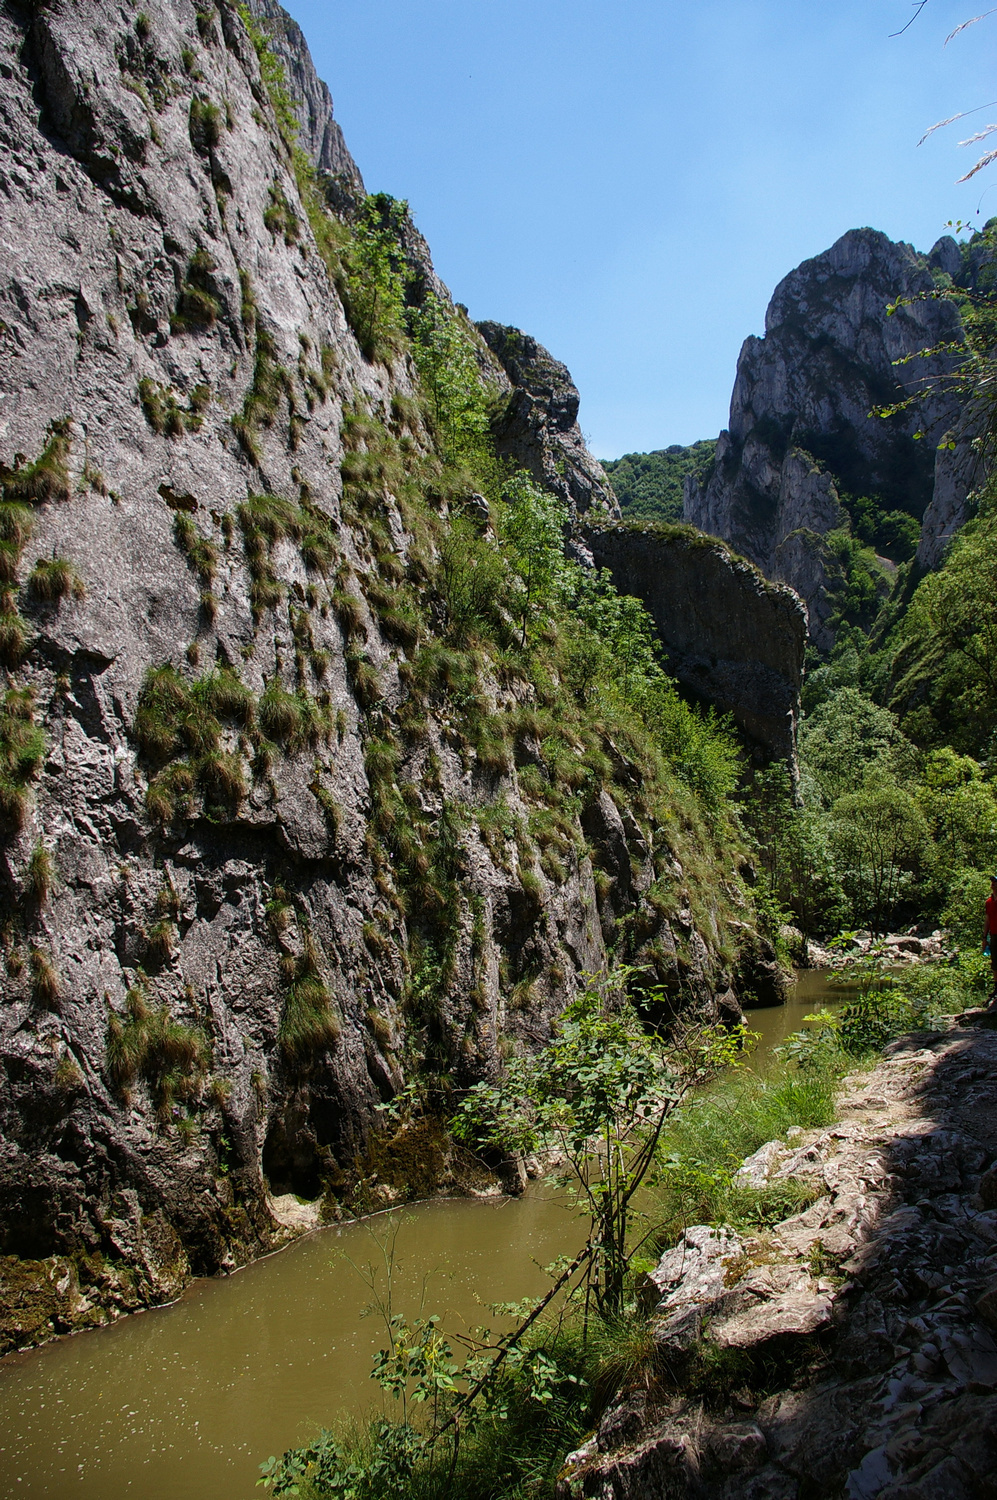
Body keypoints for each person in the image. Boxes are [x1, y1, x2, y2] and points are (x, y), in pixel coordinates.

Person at [983, 874, 997, 993]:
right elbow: (987, 920)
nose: (993, 883)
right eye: (992, 881)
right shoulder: (989, 902)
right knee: (995, 962)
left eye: (995, 881)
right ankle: (996, 989)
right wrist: (984, 937)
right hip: (994, 935)